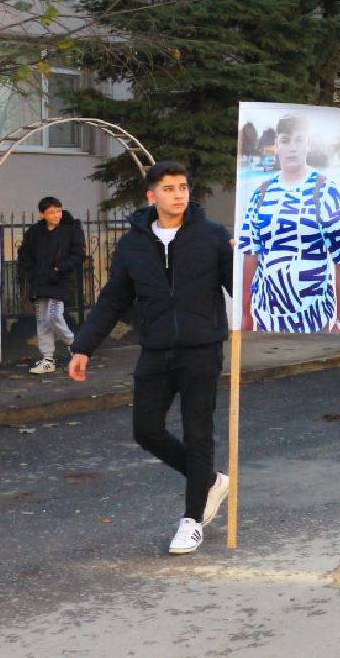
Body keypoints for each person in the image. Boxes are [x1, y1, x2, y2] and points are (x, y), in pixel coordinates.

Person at [69, 161, 234, 556]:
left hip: (201, 349)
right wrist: (83, 347)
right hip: (156, 349)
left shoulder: (212, 236)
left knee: (198, 434)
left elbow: (241, 287)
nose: (179, 194)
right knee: (146, 431)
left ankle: (192, 520)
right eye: (170, 188)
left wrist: (246, 261)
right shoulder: (133, 244)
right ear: (152, 195)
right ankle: (210, 481)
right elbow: (113, 299)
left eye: (183, 187)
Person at [238, 115, 340, 335]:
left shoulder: (325, 191)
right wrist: (246, 313)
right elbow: (251, 256)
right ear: (277, 146)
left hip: (314, 320)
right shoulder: (260, 194)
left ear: (308, 144)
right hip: (267, 320)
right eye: (286, 140)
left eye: (299, 140)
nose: (292, 147)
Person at [18, 196, 85, 375]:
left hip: (60, 281)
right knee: (43, 321)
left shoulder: (71, 229)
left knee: (55, 316)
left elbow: (78, 254)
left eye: (58, 211)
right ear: (42, 214)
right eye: (51, 212)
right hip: (39, 281)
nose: (56, 215)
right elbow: (24, 253)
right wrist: (32, 271)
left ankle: (76, 347)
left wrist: (60, 267)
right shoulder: (34, 232)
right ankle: (47, 360)